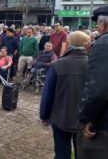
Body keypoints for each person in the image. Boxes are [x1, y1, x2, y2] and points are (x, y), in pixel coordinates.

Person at [40, 31, 90, 159]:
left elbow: (47, 94)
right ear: (86, 45)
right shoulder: (92, 65)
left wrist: (44, 115)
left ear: (68, 44)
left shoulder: (57, 64)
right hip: (84, 120)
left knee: (62, 153)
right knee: (82, 153)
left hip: (60, 118)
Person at [77, 6, 108, 158]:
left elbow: (97, 89)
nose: (97, 27)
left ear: (103, 24)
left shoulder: (104, 43)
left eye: (97, 24)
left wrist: (85, 117)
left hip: (103, 124)